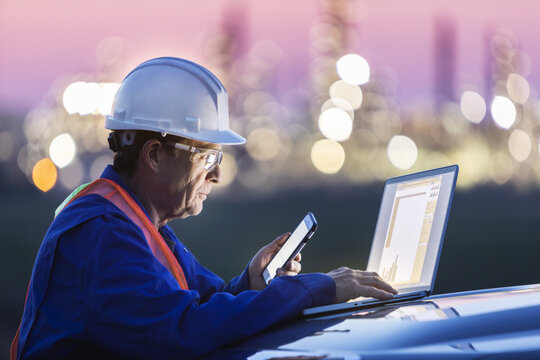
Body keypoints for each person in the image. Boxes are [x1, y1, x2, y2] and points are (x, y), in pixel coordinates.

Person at [12, 57, 397, 359]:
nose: (216, 176)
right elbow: (183, 331)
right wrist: (317, 288)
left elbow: (204, 305)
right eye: (208, 157)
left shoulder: (140, 224)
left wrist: (251, 281)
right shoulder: (101, 236)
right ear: (154, 155)